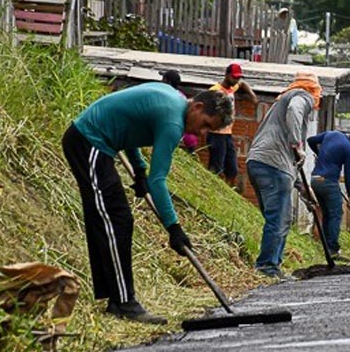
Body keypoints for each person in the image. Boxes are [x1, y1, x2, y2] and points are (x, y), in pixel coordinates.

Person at [62, 84, 232, 324]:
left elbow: (128, 125)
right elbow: (159, 180)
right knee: (113, 220)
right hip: (88, 141)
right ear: (198, 106)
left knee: (113, 220)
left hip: (96, 144)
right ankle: (123, 302)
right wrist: (174, 227)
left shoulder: (173, 102)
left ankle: (115, 298)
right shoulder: (173, 123)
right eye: (205, 124)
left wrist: (139, 169)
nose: (203, 133)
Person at [245, 70, 322, 279]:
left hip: (258, 163)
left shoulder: (280, 102)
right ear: (314, 90)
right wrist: (297, 144)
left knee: (278, 217)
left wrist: (305, 191)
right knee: (279, 218)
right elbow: (295, 110)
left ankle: (270, 265)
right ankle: (267, 267)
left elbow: (291, 165)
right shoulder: (301, 95)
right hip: (274, 165)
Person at [306, 127, 350, 260]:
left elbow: (310, 140)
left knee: (327, 214)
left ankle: (325, 248)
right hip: (328, 182)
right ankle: (333, 250)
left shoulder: (332, 134)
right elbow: (348, 175)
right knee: (336, 214)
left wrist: (319, 154)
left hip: (314, 180)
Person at [207, 62, 255, 189]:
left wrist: (252, 95)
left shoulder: (231, 88)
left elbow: (243, 84)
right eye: (234, 77)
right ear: (226, 75)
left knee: (232, 169)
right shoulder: (215, 91)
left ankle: (227, 192)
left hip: (227, 135)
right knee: (216, 169)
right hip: (216, 135)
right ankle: (212, 191)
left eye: (238, 77)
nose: (236, 80)